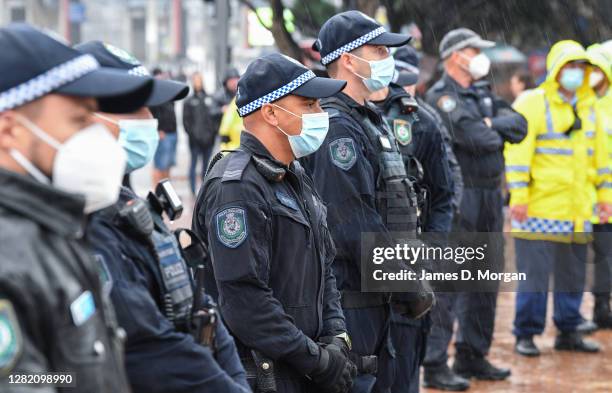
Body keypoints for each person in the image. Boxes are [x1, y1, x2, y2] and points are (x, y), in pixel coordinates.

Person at [76, 41, 251, 393]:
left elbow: (202, 306)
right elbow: (150, 348)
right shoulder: (84, 221)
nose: (151, 121)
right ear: (87, 117)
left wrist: (236, 380)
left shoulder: (128, 202)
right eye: (137, 108)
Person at [0, 23, 154, 392]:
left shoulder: (56, 226)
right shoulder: (10, 257)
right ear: (9, 131)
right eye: (80, 121)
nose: (99, 137)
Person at [193, 53, 356, 393]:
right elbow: (245, 302)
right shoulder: (236, 189)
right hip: (264, 374)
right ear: (270, 113)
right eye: (308, 105)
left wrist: (335, 338)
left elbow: (324, 266)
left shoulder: (294, 174)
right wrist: (315, 359)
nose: (320, 115)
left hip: (305, 367)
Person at [307, 11, 432, 393]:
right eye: (377, 50)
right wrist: (406, 284)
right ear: (348, 59)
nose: (386, 59)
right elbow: (350, 222)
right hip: (355, 298)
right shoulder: (338, 127)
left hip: (383, 294)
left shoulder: (367, 118)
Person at [425, 28, 527, 390]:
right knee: (450, 282)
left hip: (489, 196)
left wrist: (490, 124)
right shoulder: (443, 97)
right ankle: (435, 362)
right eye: (473, 50)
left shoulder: (483, 93)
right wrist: (492, 127)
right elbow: (478, 138)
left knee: (485, 279)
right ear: (455, 55)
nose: (481, 56)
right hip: (461, 194)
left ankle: (472, 353)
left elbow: (519, 126)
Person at [505, 40, 612, 357]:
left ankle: (568, 329)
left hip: (578, 209)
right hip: (538, 206)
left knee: (573, 276)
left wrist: (605, 196)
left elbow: (601, 160)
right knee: (533, 278)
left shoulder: (589, 107)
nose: (577, 74)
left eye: (582, 68)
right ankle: (526, 333)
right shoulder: (533, 103)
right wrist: (519, 195)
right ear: (556, 70)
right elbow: (518, 152)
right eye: (571, 67)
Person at [368, 44, 454, 393]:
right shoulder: (330, 118)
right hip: (351, 288)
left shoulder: (419, 120)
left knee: (403, 379)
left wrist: (429, 259)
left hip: (407, 280)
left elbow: (443, 196)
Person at [587, 43, 612, 329]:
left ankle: (603, 305)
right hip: (584, 196)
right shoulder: (583, 104)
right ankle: (600, 305)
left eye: (597, 70)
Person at [151, 67, 188, 185]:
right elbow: (151, 114)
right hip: (163, 134)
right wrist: (157, 130)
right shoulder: (153, 96)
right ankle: (157, 192)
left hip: (172, 132)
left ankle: (166, 192)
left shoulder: (167, 93)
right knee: (159, 166)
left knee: (168, 165)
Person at [183, 71, 217, 195]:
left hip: (208, 140)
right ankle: (192, 191)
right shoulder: (188, 101)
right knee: (193, 164)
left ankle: (204, 191)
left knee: (206, 166)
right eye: (195, 80)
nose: (198, 83)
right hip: (194, 141)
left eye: (199, 80)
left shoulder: (209, 99)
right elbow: (186, 122)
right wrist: (193, 135)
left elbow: (214, 119)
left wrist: (212, 134)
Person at [210, 67, 240, 131]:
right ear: (226, 82)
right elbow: (212, 112)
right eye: (231, 80)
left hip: (238, 133)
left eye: (236, 79)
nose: (234, 83)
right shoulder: (219, 96)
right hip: (222, 133)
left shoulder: (242, 95)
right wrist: (222, 110)